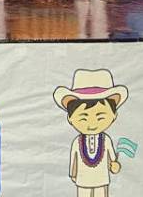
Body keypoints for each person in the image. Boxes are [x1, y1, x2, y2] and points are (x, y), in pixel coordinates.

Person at [53, 69, 127, 197]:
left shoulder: (106, 140)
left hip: (102, 178)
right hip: (83, 180)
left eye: (100, 117)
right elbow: (74, 158)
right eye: (83, 118)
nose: (92, 124)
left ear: (113, 115)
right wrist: (73, 174)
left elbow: (112, 158)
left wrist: (115, 165)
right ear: (70, 118)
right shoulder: (77, 142)